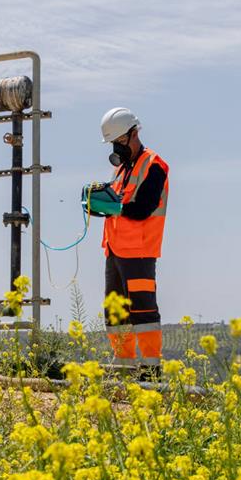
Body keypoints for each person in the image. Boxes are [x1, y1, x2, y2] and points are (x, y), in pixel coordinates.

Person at [98, 107, 170, 376]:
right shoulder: (122, 171)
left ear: (133, 133)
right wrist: (100, 204)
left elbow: (143, 208)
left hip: (139, 251)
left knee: (143, 311)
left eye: (119, 141)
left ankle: (151, 369)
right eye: (114, 143)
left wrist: (114, 208)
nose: (117, 147)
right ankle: (124, 367)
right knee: (115, 312)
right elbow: (118, 204)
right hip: (115, 250)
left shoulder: (154, 165)